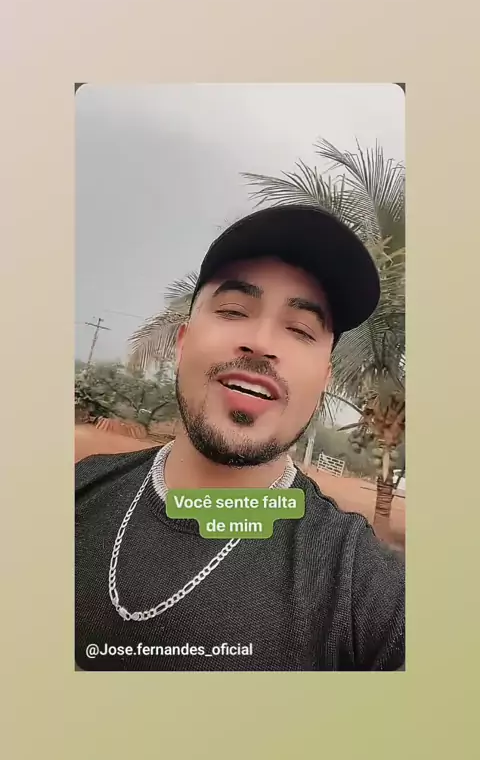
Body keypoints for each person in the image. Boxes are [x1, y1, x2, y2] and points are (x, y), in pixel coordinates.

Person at [75, 204, 405, 671]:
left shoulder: (359, 587)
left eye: (300, 330)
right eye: (233, 311)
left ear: (324, 378)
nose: (262, 342)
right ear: (183, 342)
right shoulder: (77, 491)